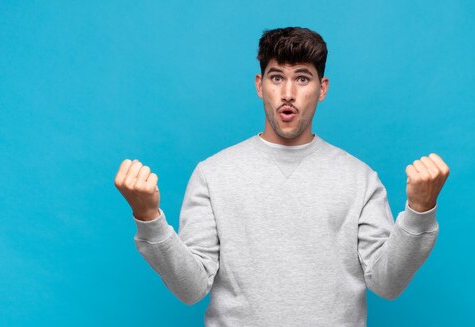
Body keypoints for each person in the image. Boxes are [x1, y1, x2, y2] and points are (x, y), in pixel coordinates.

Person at [114, 27, 449, 326]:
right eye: (276, 77)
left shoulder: (359, 178)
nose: (288, 92)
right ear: (260, 86)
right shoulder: (213, 174)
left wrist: (420, 211)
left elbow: (387, 284)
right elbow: (190, 289)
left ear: (322, 88)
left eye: (302, 78)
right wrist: (148, 218)